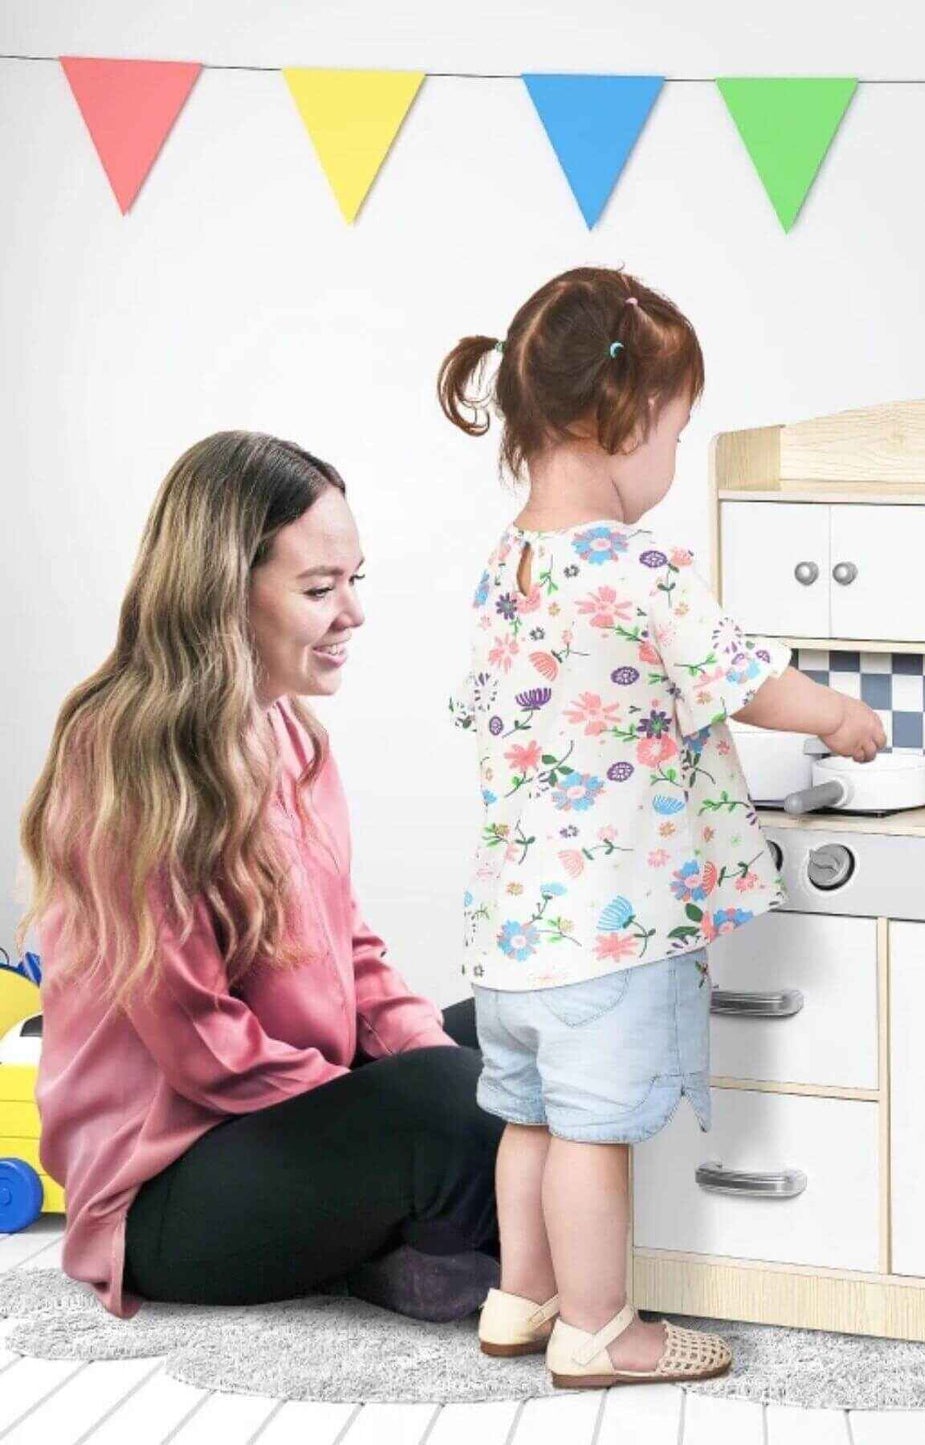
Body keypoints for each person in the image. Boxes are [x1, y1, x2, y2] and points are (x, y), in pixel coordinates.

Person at [437, 266, 885, 1387]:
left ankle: (519, 1294)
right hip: (615, 926)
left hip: (512, 931)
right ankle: (601, 1326)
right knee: (593, 1133)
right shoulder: (639, 566)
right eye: (677, 433)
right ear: (623, 418)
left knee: (526, 1119)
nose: (673, 462)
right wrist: (837, 714)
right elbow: (747, 679)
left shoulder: (508, 564)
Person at [18, 432, 504, 1323]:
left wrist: (448, 1062)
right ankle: (437, 1236)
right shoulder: (126, 754)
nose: (352, 611)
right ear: (222, 595)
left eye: (356, 580)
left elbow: (351, 949)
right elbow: (200, 1046)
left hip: (284, 1114)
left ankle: (412, 1244)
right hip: (169, 1189)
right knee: (453, 1102)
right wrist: (410, 1100)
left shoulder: (285, 731)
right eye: (321, 589)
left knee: (516, 1032)